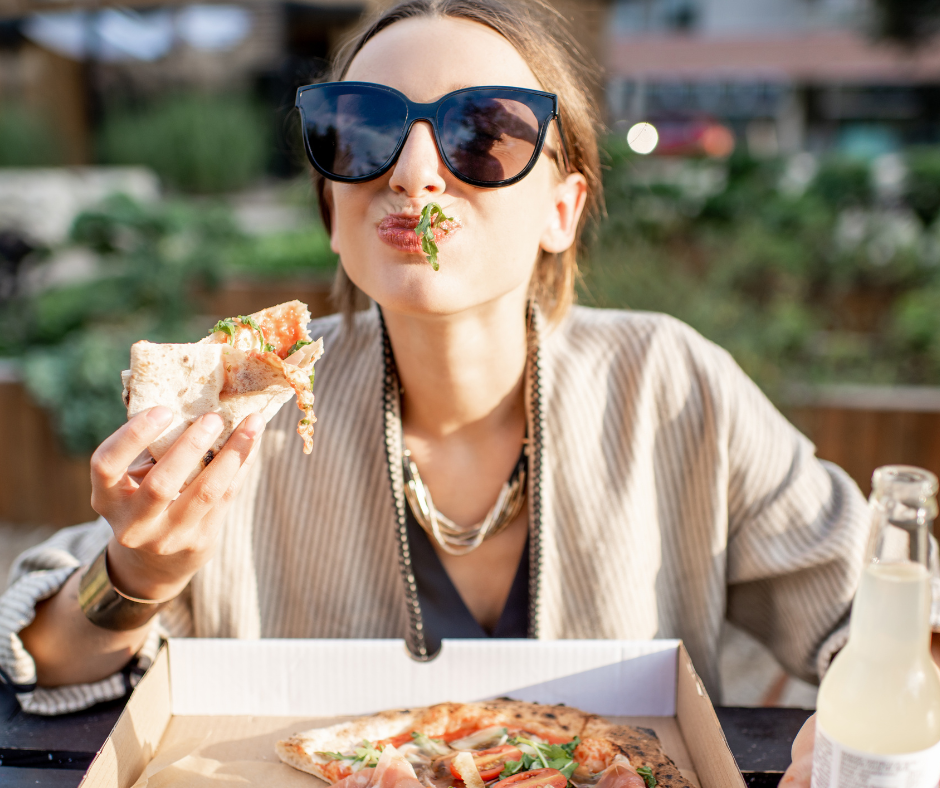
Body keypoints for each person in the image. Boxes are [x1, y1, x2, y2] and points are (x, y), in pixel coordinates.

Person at [1, 1, 915, 784]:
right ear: (331, 207)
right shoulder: (253, 404)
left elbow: (887, 617)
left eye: (486, 132)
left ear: (563, 208)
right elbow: (42, 662)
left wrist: (851, 742)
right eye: (360, 129)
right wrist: (140, 577)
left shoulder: (670, 388)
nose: (413, 173)